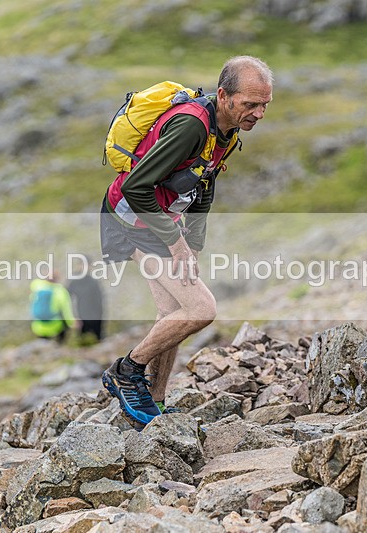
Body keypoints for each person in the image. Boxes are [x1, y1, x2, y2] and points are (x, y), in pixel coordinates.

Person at [100, 56, 273, 428]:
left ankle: (156, 403)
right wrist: (177, 244)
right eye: (251, 104)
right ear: (224, 95)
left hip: (160, 222)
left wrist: (193, 244)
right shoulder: (192, 126)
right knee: (200, 309)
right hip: (130, 218)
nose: (258, 113)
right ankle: (126, 371)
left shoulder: (226, 130)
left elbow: (204, 186)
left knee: (173, 311)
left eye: (264, 105)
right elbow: (136, 186)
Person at [29, 272, 77, 343]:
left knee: (42, 343)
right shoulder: (60, 291)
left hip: (38, 326)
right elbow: (66, 311)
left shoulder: (37, 288)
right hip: (54, 325)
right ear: (57, 280)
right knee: (63, 327)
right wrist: (71, 323)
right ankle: (59, 347)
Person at [67, 258, 105, 344]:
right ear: (79, 265)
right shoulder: (74, 281)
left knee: (96, 341)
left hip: (94, 318)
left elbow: (99, 302)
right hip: (80, 319)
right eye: (82, 264)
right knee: (81, 342)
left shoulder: (93, 282)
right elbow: (66, 300)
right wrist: (73, 317)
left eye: (87, 265)